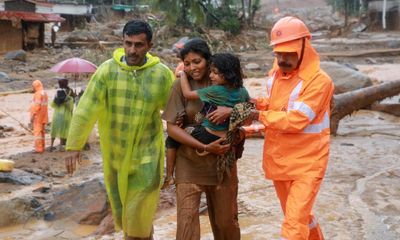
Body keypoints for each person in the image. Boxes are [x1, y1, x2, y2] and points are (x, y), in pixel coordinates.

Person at [64, 20, 174, 239]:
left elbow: (176, 112)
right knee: (129, 216)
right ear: (122, 42)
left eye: (139, 45)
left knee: (137, 214)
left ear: (149, 46)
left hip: (147, 157)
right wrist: (74, 145)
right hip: (115, 157)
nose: (133, 50)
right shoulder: (107, 71)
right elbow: (86, 108)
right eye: (128, 43)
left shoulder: (161, 75)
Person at [246, 16, 334, 240]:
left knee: (293, 226)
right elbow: (277, 105)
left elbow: (296, 120)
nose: (283, 59)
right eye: (279, 53)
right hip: (280, 160)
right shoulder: (276, 74)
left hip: (308, 164)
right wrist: (255, 104)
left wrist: (257, 115)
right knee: (301, 217)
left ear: (304, 47)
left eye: (289, 53)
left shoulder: (319, 81)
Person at [162, 38, 241, 240]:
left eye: (197, 61)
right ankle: (170, 174)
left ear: (208, 59)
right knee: (186, 226)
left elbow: (249, 112)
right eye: (187, 64)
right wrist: (204, 145)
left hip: (222, 163)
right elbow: (171, 128)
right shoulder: (180, 86)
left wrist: (229, 111)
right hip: (189, 163)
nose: (192, 68)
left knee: (226, 224)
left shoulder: (228, 83)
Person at [162, 53, 250, 188]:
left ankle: (169, 175)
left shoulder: (216, 90)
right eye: (211, 72)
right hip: (227, 136)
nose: (210, 76)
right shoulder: (242, 91)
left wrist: (183, 75)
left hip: (208, 134)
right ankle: (238, 153)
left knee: (174, 138)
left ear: (226, 75)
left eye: (215, 73)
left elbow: (187, 94)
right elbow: (248, 109)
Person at [49, 78, 75, 151]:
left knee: (54, 129)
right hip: (66, 115)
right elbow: (71, 106)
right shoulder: (70, 92)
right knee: (64, 130)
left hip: (57, 114)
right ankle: (61, 146)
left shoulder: (58, 92)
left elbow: (53, 104)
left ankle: (51, 145)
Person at [30, 79, 49, 153]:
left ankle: (39, 149)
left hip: (38, 117)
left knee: (37, 133)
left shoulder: (38, 94)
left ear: (35, 86)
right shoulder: (44, 93)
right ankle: (42, 147)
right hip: (44, 116)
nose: (32, 88)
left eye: (33, 86)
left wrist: (32, 116)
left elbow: (37, 106)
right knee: (42, 133)